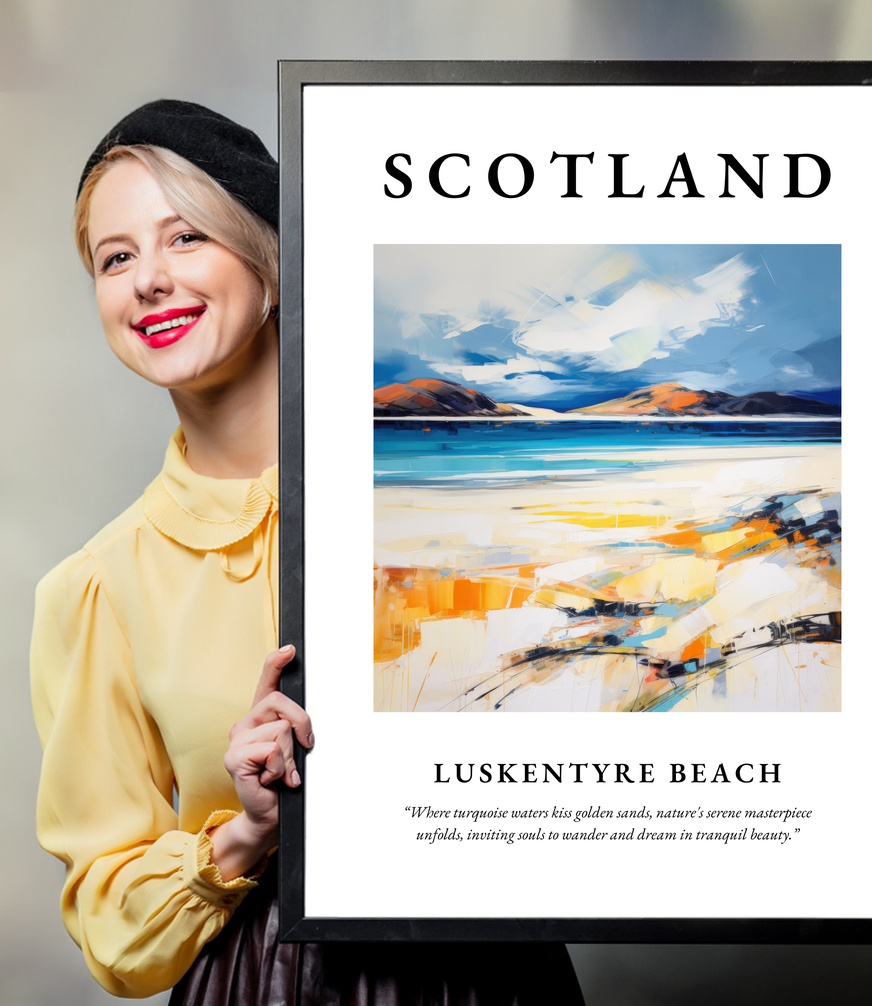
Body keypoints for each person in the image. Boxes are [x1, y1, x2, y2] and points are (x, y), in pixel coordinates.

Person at [30, 100, 586, 1004]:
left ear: (273, 263)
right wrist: (245, 832)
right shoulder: (97, 587)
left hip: (493, 973)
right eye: (116, 257)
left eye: (185, 238)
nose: (148, 281)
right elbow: (110, 924)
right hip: (262, 982)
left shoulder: (446, 502)